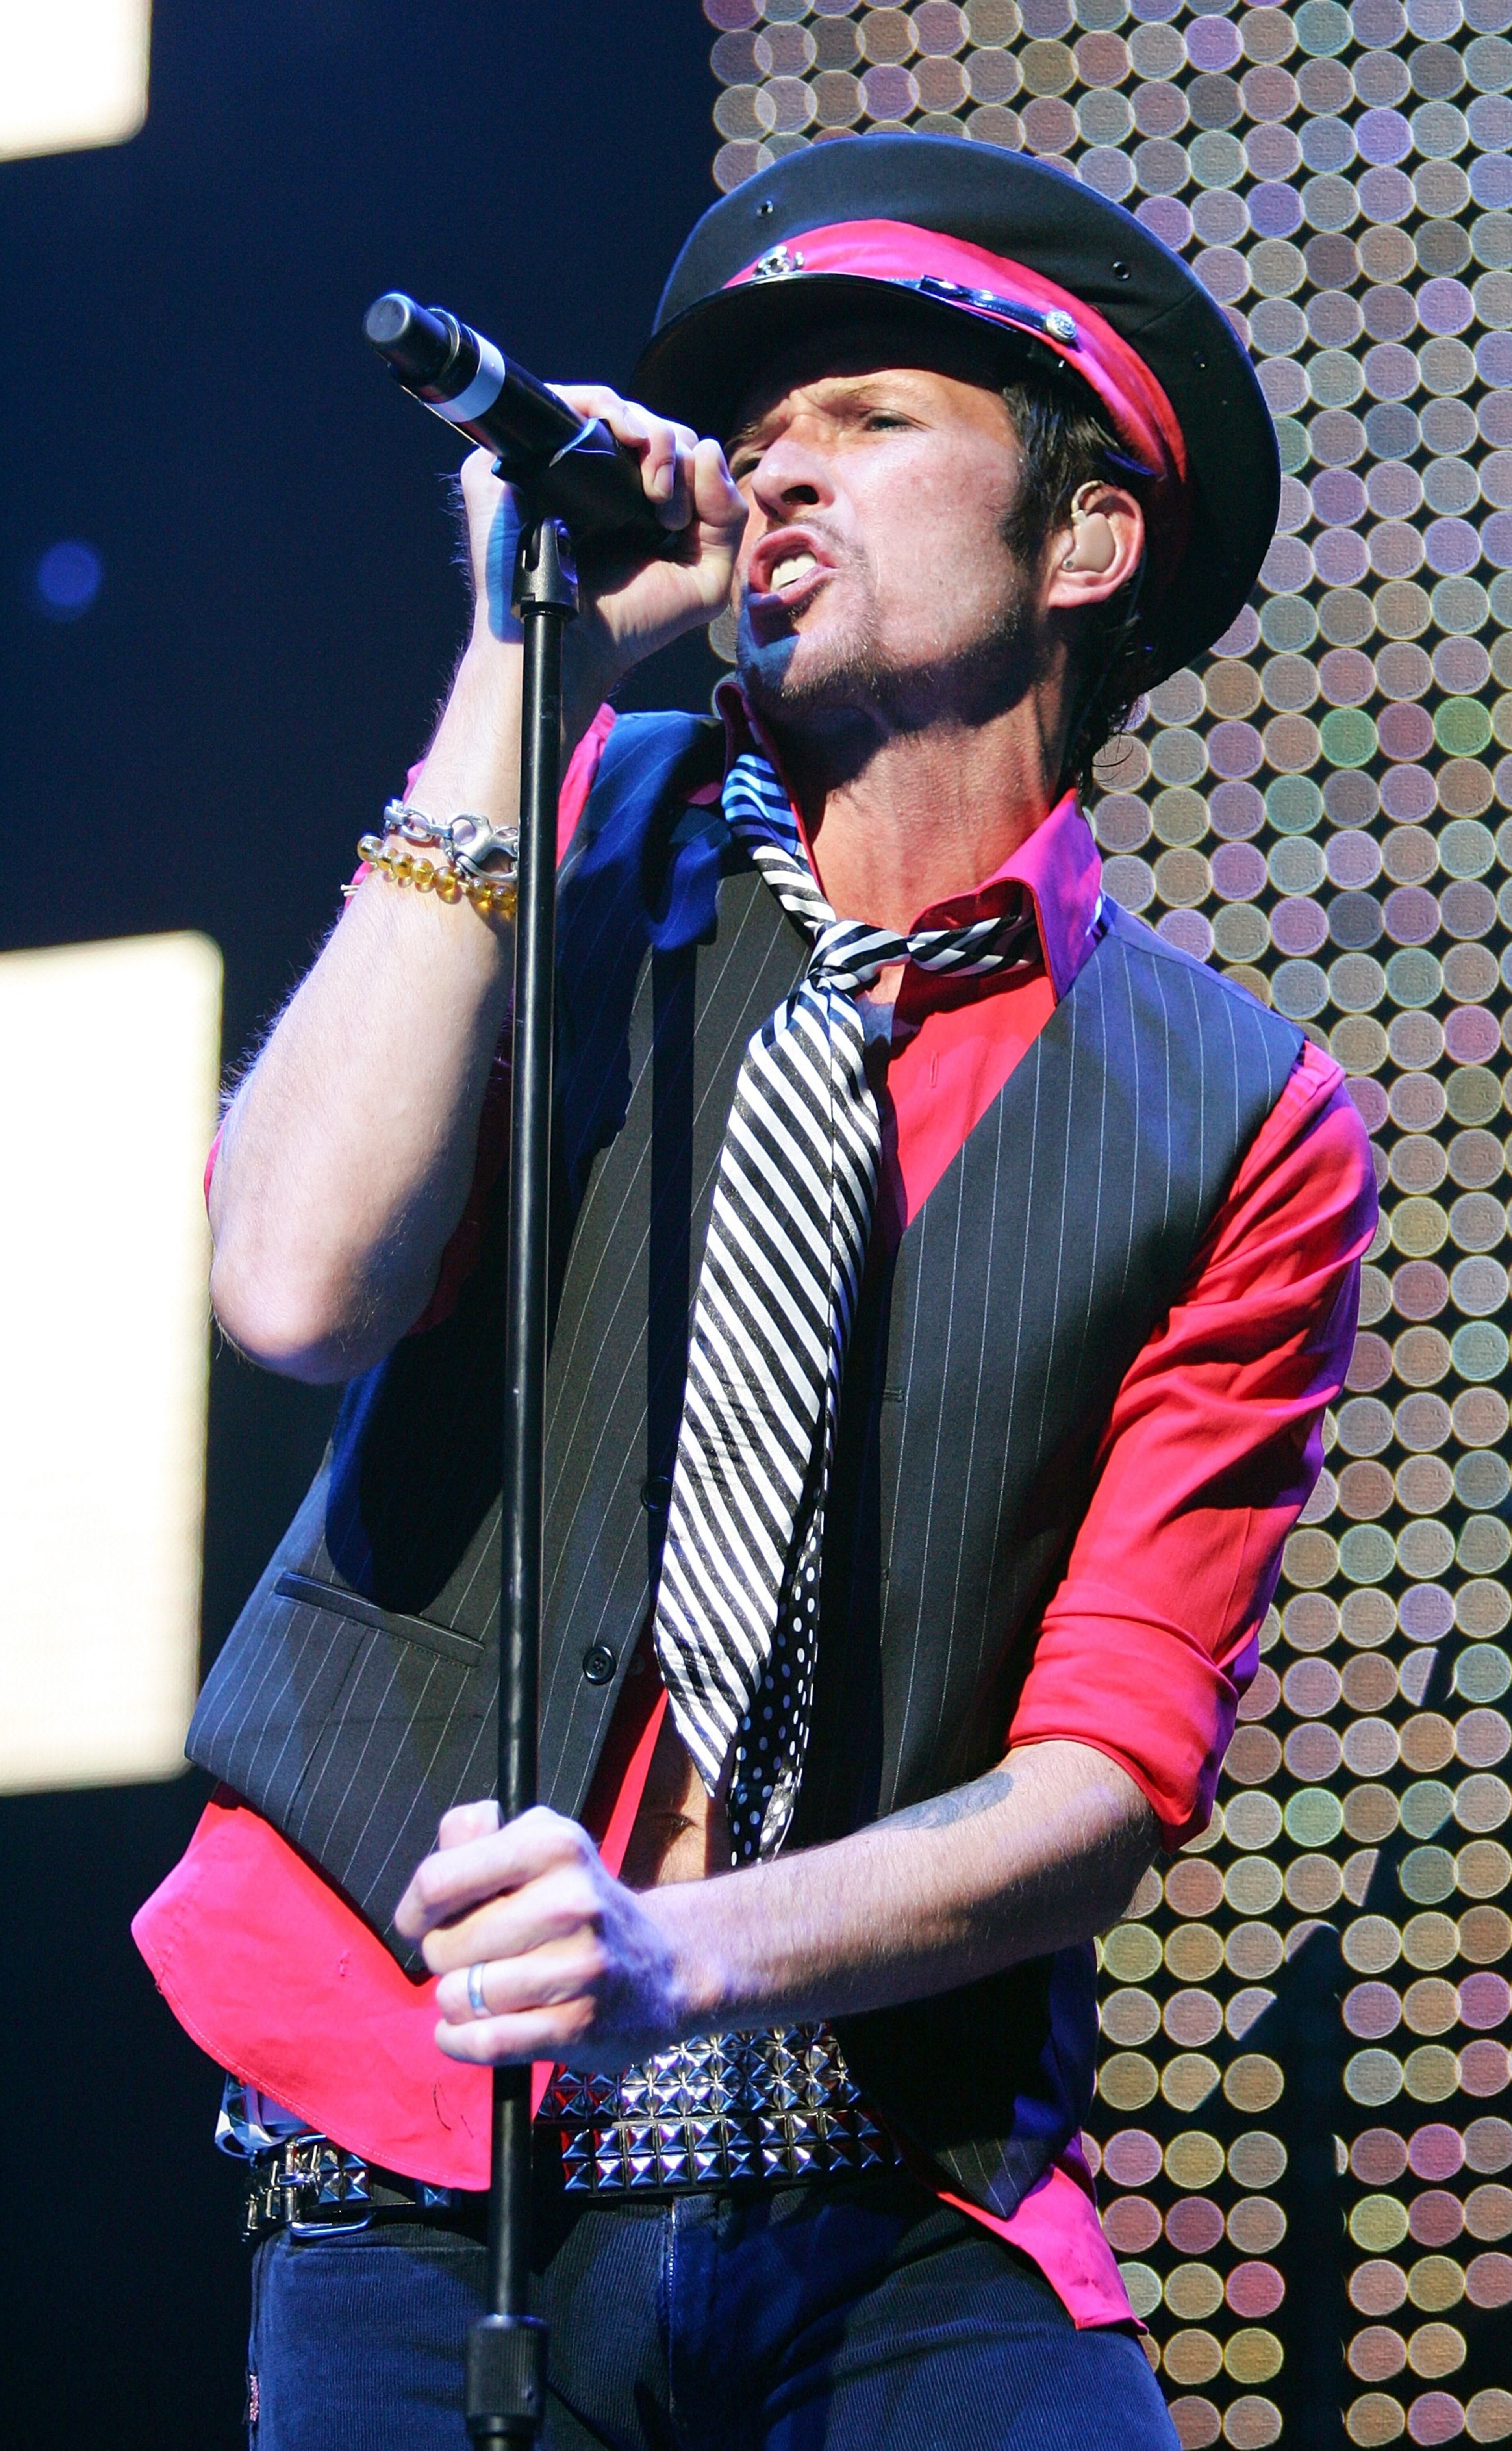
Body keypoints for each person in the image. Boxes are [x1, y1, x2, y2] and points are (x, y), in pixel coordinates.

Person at [135, 134, 1375, 2450]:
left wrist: (671, 1955)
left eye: (873, 421)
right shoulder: (567, 823)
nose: (777, 470)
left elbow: (1108, 1769)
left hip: (886, 2172)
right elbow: (295, 1284)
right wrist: (514, 680)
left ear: (1083, 544)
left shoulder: (1238, 1114)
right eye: (760, 430)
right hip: (425, 2153)